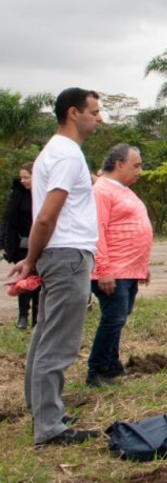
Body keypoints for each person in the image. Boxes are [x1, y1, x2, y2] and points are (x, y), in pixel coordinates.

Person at [10, 88, 102, 446]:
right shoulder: (66, 155)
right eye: (93, 111)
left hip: (59, 253)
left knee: (46, 330)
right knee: (59, 342)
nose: (98, 117)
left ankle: (40, 407)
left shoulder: (55, 151)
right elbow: (47, 216)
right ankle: (49, 426)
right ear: (72, 113)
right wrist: (30, 260)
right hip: (66, 254)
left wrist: (36, 258)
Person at [86, 144, 152, 388]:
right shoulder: (102, 191)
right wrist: (103, 269)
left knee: (119, 317)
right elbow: (97, 231)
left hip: (128, 269)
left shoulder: (122, 189)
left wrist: (141, 265)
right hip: (112, 270)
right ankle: (97, 370)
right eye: (136, 165)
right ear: (118, 164)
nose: (140, 170)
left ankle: (112, 366)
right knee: (113, 318)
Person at [1, 163, 38, 330]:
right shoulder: (18, 195)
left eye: (27, 177)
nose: (23, 181)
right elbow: (8, 220)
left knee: (39, 281)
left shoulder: (45, 194)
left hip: (42, 243)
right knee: (23, 281)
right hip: (23, 244)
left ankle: (38, 318)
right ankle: (23, 315)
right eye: (21, 177)